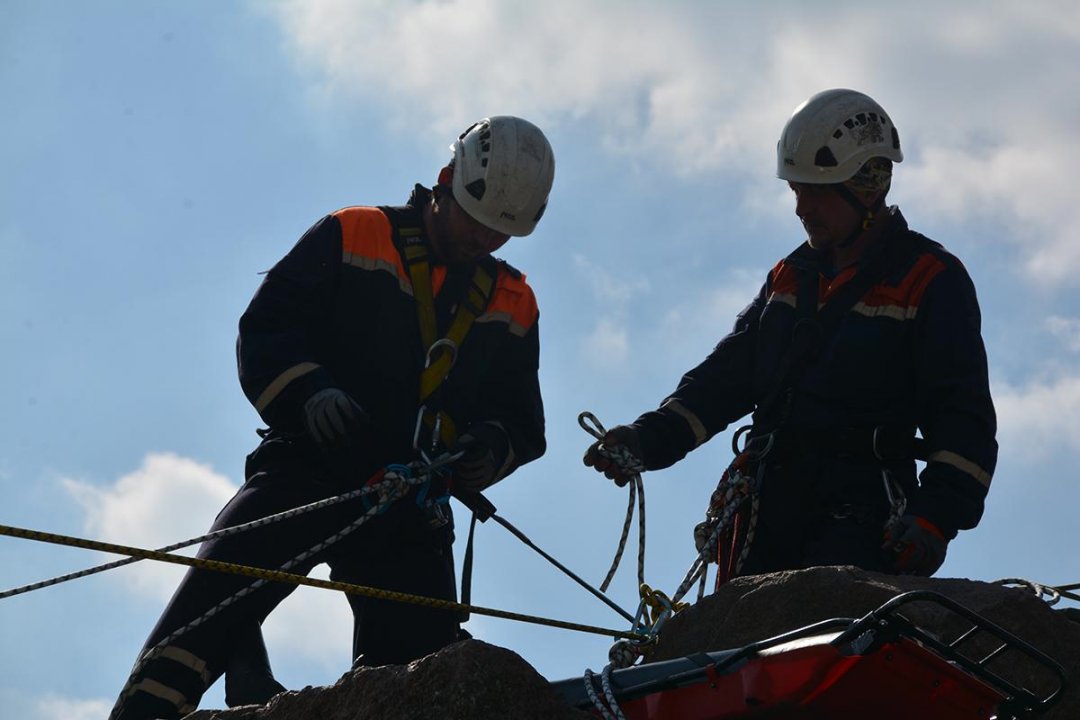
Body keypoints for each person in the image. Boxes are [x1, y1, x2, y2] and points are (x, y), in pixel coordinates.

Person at [110, 116, 555, 720]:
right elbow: (267, 330)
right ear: (447, 181)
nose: (482, 241)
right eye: (474, 222)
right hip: (310, 466)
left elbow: (520, 420)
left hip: (409, 502)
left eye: (499, 234)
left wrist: (488, 448)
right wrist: (310, 393)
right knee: (202, 617)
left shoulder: (514, 301)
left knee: (426, 682)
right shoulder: (355, 234)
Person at [584, 89, 996, 582]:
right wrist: (647, 438)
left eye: (815, 191)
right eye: (796, 190)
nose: (801, 207)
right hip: (767, 507)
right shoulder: (791, 277)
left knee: (827, 644)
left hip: (860, 516)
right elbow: (728, 375)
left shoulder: (929, 280)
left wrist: (935, 518)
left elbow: (962, 417)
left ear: (867, 184)